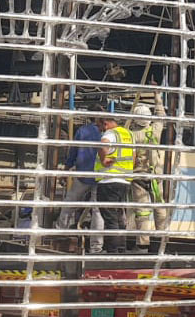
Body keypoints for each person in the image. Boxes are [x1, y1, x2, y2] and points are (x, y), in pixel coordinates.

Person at [58, 119, 104, 253]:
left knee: (69, 204)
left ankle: (61, 233)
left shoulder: (82, 131)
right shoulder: (106, 133)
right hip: (100, 176)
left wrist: (65, 171)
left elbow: (73, 153)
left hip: (83, 174)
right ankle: (96, 247)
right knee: (97, 211)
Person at [95, 116, 135, 252]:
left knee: (110, 217)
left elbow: (102, 144)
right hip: (125, 181)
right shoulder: (129, 134)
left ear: (105, 123)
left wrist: (104, 159)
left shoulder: (110, 133)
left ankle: (112, 249)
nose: (99, 130)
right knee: (119, 216)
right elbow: (133, 157)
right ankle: (121, 248)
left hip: (109, 180)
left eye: (99, 126)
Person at [128, 103, 164, 248]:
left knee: (142, 212)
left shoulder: (130, 135)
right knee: (160, 207)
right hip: (155, 175)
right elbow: (161, 115)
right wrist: (157, 96)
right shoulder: (155, 130)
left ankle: (143, 242)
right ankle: (162, 238)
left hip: (138, 177)